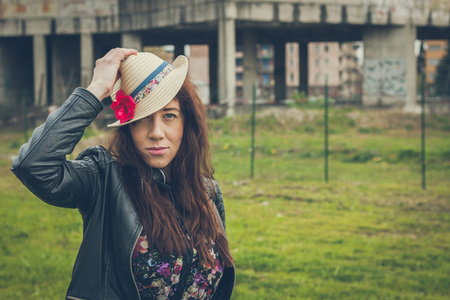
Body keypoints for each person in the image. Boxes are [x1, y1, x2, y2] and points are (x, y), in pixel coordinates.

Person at [11, 48, 235, 300]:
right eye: (142, 119)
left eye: (169, 116)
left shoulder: (206, 191)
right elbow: (33, 165)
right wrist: (96, 90)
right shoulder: (104, 179)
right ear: (128, 128)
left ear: (187, 122)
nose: (157, 132)